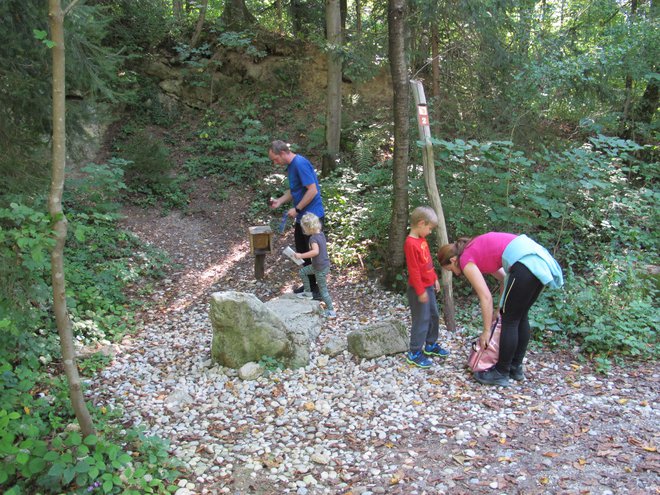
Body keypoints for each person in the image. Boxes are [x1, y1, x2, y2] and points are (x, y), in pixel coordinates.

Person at [437, 232, 563, 386]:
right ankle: (515, 367)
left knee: (510, 320)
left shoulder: (465, 260)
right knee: (520, 316)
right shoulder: (477, 249)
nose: (455, 273)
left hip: (525, 265)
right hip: (538, 262)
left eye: (450, 270)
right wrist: (500, 307)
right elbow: (504, 278)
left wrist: (486, 331)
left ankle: (501, 372)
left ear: (452, 260)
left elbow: (486, 297)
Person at [269, 140, 325, 299]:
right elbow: (296, 190)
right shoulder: (292, 166)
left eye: (275, 159)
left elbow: (312, 190)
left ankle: (319, 290)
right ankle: (309, 286)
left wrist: (297, 208)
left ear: (282, 153)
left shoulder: (300, 164)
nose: (275, 163)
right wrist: (280, 200)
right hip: (303, 218)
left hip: (313, 217)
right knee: (302, 252)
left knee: (314, 254)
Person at [404, 206, 451, 369]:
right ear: (421, 223)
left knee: (433, 315)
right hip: (419, 290)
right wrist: (420, 290)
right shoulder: (410, 243)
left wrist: (435, 279)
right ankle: (415, 352)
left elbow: (427, 263)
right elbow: (414, 270)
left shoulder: (422, 240)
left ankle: (430, 344)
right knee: (421, 319)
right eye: (429, 228)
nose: (430, 232)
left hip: (428, 286)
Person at [294, 213, 336, 319]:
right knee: (303, 272)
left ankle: (331, 310)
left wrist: (301, 255)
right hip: (319, 265)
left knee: (323, 290)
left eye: (304, 228)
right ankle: (308, 293)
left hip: (320, 268)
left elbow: (315, 252)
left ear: (308, 228)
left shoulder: (313, 239)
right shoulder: (321, 234)